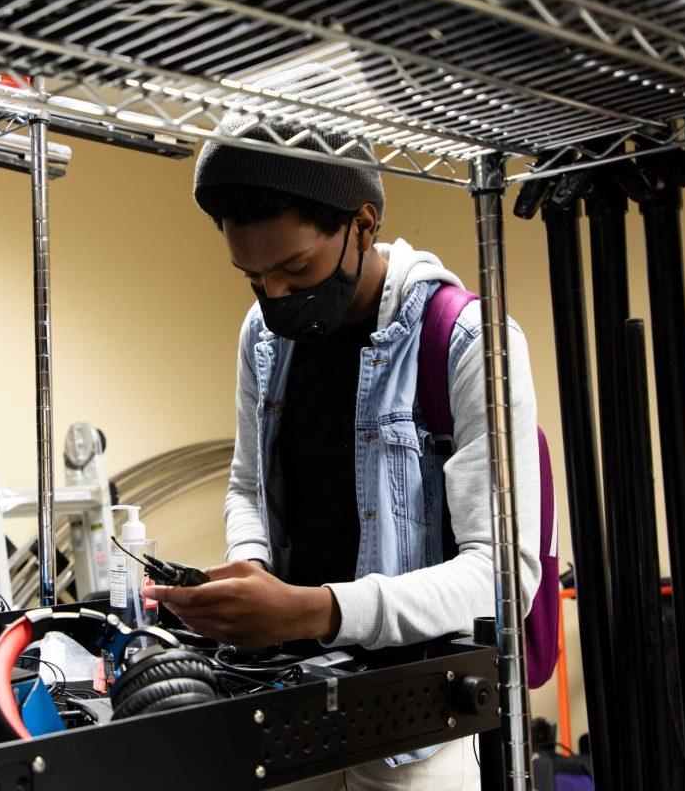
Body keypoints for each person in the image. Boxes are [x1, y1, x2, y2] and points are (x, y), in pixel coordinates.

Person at [142, 67, 542, 790]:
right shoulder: (263, 336)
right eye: (252, 278)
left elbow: (502, 576)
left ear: (363, 223)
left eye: (295, 268)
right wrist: (254, 566)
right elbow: (246, 484)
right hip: (291, 691)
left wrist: (318, 610)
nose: (277, 297)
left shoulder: (469, 342)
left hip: (418, 730)